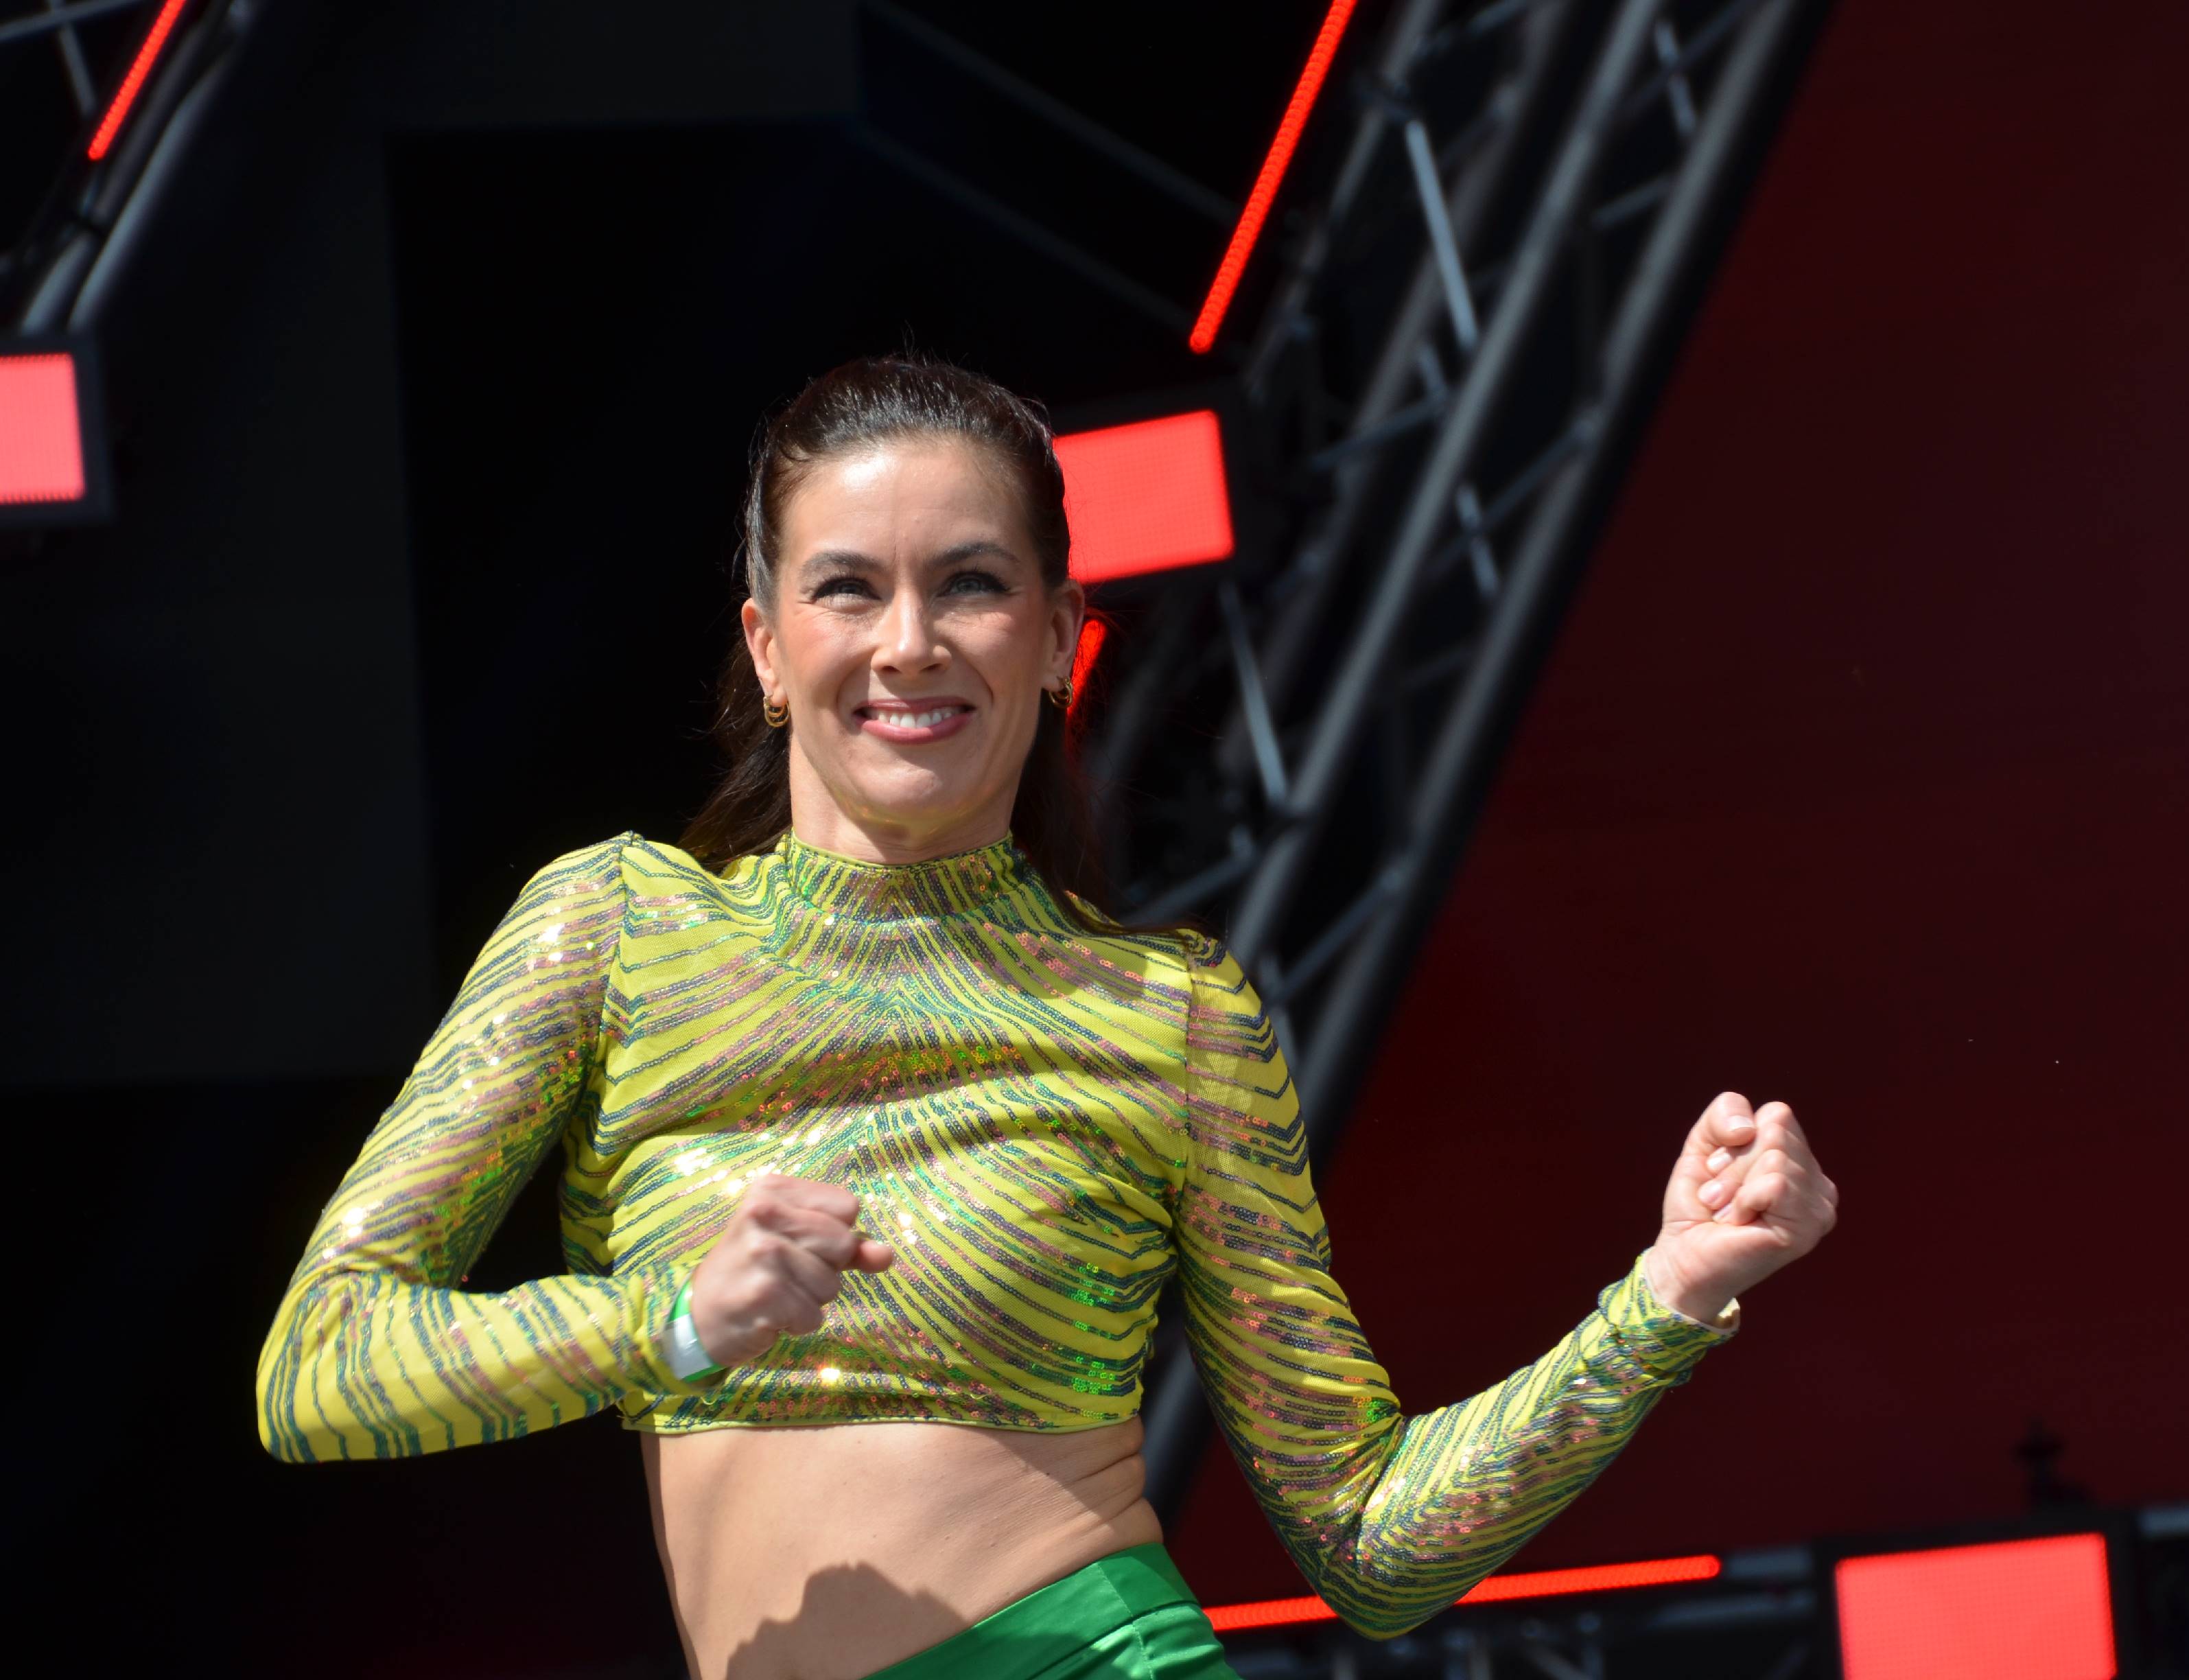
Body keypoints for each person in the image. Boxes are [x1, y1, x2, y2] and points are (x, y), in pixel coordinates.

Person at [255, 355, 1840, 1680]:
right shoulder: (614, 927)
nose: (909, 643)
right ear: (766, 648)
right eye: (847, 588)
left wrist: (1665, 1299)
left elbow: (1368, 1543)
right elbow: (320, 1366)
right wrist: (667, 1319)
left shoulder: (1166, 1016)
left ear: (1062, 640)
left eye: (971, 585)